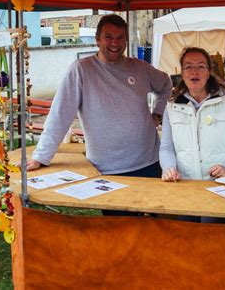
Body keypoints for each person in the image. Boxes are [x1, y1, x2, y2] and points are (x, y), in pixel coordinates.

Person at [27, 14, 172, 179]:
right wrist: (41, 156)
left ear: (126, 40)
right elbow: (60, 115)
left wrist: (158, 114)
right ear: (97, 40)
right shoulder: (81, 70)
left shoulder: (140, 68)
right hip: (105, 168)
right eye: (108, 37)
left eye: (120, 37)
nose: (114, 43)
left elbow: (166, 84)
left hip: (149, 162)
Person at [159, 47, 225, 182]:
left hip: (221, 183)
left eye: (200, 66)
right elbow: (166, 147)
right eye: (188, 67)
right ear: (182, 72)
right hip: (185, 184)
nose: (194, 71)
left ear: (209, 71)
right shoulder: (172, 106)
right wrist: (169, 168)